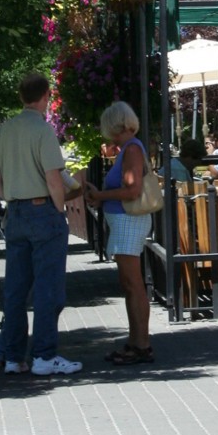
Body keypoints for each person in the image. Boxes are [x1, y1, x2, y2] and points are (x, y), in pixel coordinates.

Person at [0, 72, 84, 377]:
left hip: (14, 212)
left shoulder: (6, 130)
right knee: (48, 289)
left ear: (20, 96)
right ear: (45, 96)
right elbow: (54, 178)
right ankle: (44, 355)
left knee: (15, 289)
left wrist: (9, 198)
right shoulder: (43, 130)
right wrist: (58, 209)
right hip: (43, 211)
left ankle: (14, 356)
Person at [83, 101, 156, 366]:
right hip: (125, 220)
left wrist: (101, 195)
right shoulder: (128, 148)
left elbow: (132, 190)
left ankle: (141, 344)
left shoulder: (132, 149)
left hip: (128, 220)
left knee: (132, 284)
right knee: (130, 284)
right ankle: (136, 341)